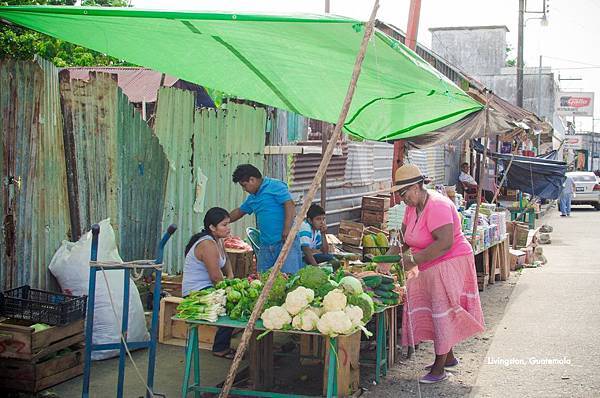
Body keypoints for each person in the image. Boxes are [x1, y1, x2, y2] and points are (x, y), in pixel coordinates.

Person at [379, 164, 485, 384]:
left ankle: (438, 369)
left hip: (450, 261)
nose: (401, 198)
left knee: (441, 310)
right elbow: (404, 237)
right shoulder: (412, 206)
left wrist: (412, 260)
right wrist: (386, 260)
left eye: (403, 192)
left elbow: (444, 243)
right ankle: (449, 357)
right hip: (428, 263)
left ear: (417, 187)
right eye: (399, 194)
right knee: (437, 309)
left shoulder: (437, 205)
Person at [228, 164, 303, 274]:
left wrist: (287, 229)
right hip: (265, 246)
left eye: (244, 185)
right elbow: (240, 211)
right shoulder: (252, 198)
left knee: (289, 278)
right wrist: (222, 221)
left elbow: (289, 204)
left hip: (285, 241)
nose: (244, 189)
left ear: (252, 180)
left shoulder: (275, 186)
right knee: (263, 280)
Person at [182, 207, 235, 359]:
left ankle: (222, 345)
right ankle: (220, 347)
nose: (228, 228)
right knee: (232, 306)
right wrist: (229, 289)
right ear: (212, 227)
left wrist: (231, 276)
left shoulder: (218, 241)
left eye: (228, 224)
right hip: (196, 292)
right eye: (224, 225)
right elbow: (216, 278)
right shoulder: (207, 244)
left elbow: (225, 262)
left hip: (209, 288)